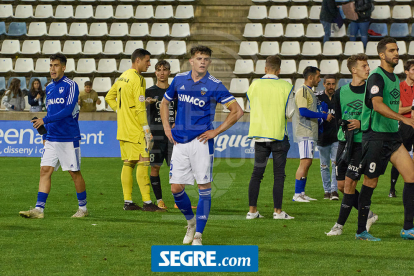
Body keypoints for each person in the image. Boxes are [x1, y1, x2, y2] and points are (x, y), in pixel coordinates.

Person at [160, 45, 244, 245]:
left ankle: (198, 235)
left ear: (209, 62)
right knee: (175, 188)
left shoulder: (214, 85)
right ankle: (191, 222)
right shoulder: (179, 79)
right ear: (191, 61)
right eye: (199, 58)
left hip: (201, 142)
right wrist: (166, 127)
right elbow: (165, 102)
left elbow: (237, 111)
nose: (203, 62)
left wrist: (216, 131)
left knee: (204, 188)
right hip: (180, 141)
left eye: (206, 59)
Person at [356, 37, 414, 241]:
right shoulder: (376, 77)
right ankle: (361, 231)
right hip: (375, 137)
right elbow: (378, 105)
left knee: (411, 176)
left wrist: (404, 117)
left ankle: (408, 228)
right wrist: (403, 119)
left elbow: (392, 106)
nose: (396, 53)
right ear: (382, 55)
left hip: (392, 137)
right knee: (370, 182)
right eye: (391, 50)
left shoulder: (395, 79)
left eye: (397, 50)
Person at [19, 53, 88, 219]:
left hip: (68, 137)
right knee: (44, 170)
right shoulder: (49, 88)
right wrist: (45, 132)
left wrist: (45, 120)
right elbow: (50, 111)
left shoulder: (71, 86)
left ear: (63, 67)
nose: (52, 69)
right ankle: (39, 210)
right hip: (51, 137)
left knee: (74, 172)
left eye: (56, 65)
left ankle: (83, 209)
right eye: (50, 65)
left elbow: (66, 111)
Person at [105, 48, 164, 212]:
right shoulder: (138, 79)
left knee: (129, 163)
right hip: (135, 129)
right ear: (138, 60)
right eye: (147, 61)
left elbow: (109, 97)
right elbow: (139, 109)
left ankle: (128, 202)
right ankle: (147, 203)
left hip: (123, 128)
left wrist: (120, 110)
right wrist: (146, 130)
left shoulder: (122, 76)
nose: (149, 64)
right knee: (144, 162)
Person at [326, 53, 378, 236]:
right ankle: (369, 215)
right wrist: (343, 124)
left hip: (361, 144)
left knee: (349, 185)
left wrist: (360, 124)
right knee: (341, 186)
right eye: (364, 66)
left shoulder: (372, 92)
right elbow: (337, 117)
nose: (368, 69)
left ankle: (339, 226)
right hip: (344, 143)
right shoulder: (341, 92)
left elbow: (376, 116)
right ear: (353, 70)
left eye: (368, 65)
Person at [245, 55, 294, 220]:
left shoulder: (254, 85)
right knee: (279, 175)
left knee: (256, 174)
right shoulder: (286, 86)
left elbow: (251, 106)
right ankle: (278, 212)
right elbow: (289, 113)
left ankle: (252, 211)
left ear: (265, 69)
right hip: (279, 135)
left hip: (259, 136)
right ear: (279, 70)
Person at [292, 66, 334, 202]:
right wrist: (321, 115)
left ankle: (301, 193)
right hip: (305, 131)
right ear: (310, 77)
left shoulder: (309, 92)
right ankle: (297, 194)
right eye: (318, 76)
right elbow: (303, 111)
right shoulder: (303, 91)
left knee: (307, 162)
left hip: (310, 132)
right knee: (304, 162)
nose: (319, 79)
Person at [145, 60, 177, 209]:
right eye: (159, 70)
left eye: (165, 69)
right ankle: (159, 200)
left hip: (172, 136)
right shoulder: (149, 92)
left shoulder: (174, 91)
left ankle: (178, 201)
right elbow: (141, 111)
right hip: (155, 136)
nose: (162, 72)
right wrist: (145, 102)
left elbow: (180, 111)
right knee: (155, 168)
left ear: (169, 72)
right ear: (155, 72)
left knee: (176, 169)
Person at [389, 60, 414, 198]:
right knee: (400, 157)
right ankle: (392, 188)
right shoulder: (399, 88)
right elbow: (397, 109)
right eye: (413, 70)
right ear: (406, 72)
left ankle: (410, 188)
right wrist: (412, 107)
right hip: (405, 125)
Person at [316, 75, 339, 200]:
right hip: (322, 136)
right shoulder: (318, 98)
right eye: (328, 84)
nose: (331, 86)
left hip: (336, 137)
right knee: (324, 165)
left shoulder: (338, 97)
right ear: (324, 84)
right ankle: (327, 191)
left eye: (333, 84)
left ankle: (334, 191)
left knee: (336, 164)